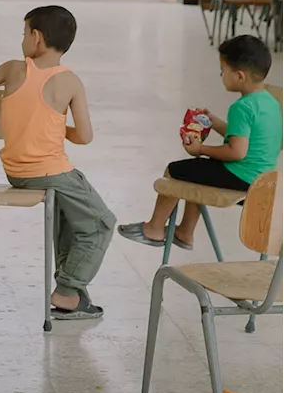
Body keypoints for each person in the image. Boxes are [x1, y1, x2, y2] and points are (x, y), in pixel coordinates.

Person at [0, 5, 114, 321]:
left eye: (23, 34)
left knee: (67, 216)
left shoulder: (12, 69)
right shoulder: (70, 82)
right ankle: (68, 291)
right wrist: (59, 124)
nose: (22, 40)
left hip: (17, 172)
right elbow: (85, 137)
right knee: (101, 224)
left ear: (36, 37)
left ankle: (70, 289)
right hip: (49, 171)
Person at [118, 35, 282, 249]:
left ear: (240, 76)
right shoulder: (270, 102)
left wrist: (200, 148)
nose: (221, 75)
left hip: (242, 177)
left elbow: (237, 151)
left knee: (175, 171)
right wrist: (213, 122)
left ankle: (154, 229)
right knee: (198, 171)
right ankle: (185, 232)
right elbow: (244, 137)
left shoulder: (242, 107)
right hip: (264, 179)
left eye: (223, 70)